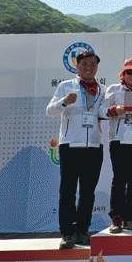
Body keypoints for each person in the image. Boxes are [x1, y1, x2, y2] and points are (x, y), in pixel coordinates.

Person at [46, 51, 106, 249]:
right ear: (77, 66)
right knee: (68, 191)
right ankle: (67, 233)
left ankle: (82, 231)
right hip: (70, 146)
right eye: (84, 64)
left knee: (88, 192)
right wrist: (64, 101)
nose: (89, 68)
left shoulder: (102, 90)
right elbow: (50, 111)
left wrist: (112, 111)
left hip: (94, 147)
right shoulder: (66, 86)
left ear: (97, 67)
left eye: (93, 64)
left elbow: (103, 112)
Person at [100, 58, 132, 234]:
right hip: (119, 139)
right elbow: (101, 111)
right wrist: (115, 110)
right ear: (123, 74)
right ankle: (116, 217)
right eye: (129, 72)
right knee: (120, 179)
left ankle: (131, 217)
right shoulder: (114, 89)